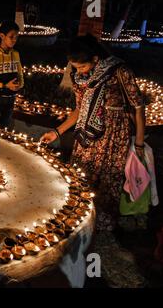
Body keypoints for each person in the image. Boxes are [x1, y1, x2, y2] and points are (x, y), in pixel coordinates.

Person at [40, 34, 146, 231]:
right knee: (81, 174)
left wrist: (139, 143)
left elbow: (138, 107)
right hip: (86, 134)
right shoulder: (80, 77)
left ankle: (100, 223)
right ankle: (77, 216)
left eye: (81, 66)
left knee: (107, 177)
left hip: (113, 135)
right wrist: (57, 131)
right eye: (75, 67)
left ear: (95, 59)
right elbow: (79, 109)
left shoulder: (119, 71)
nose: (78, 71)